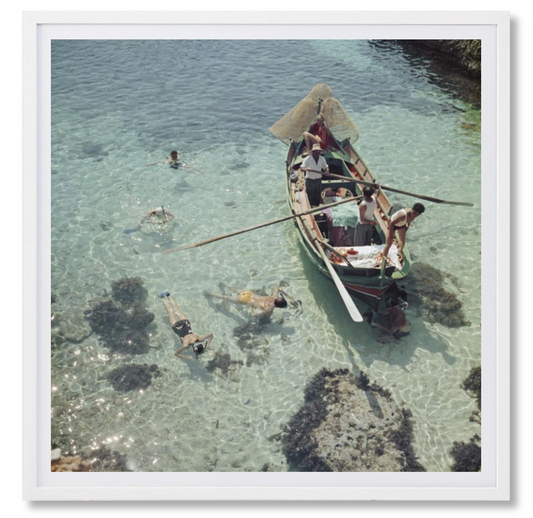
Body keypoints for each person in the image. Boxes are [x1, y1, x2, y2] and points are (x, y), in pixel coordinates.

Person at [159, 291, 213, 360]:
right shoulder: (185, 344)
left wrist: (208, 343)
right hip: (177, 327)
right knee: (170, 311)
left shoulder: (200, 339)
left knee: (175, 309)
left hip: (185, 323)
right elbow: (176, 354)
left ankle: (168, 295)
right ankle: (162, 297)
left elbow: (211, 334)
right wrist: (187, 357)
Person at [204, 282, 290, 323]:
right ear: (279, 307)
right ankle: (209, 293)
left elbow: (278, 288)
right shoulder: (269, 309)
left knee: (233, 288)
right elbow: (255, 315)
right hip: (245, 300)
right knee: (225, 297)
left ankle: (222, 284)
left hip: (249, 294)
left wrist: (289, 296)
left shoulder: (274, 297)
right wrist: (255, 312)